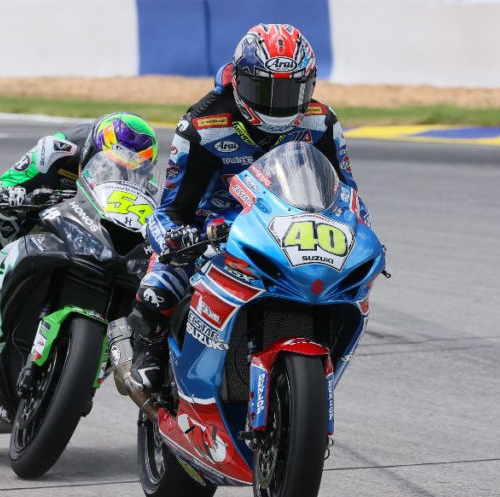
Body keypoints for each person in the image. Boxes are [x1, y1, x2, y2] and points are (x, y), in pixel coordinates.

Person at [127, 23, 371, 391]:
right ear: (239, 82)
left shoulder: (322, 122)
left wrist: (362, 234)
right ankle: (148, 357)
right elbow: (170, 210)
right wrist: (177, 240)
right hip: (215, 230)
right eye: (265, 89)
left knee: (347, 289)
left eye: (292, 90)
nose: (278, 103)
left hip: (292, 227)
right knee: (156, 291)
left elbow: (348, 195)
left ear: (311, 85)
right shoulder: (202, 125)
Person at [0, 112, 160, 334]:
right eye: (110, 165)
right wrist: (2, 199)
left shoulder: (146, 183)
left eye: (130, 169)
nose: (118, 172)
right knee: (6, 222)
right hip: (46, 211)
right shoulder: (55, 150)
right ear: (91, 151)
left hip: (95, 227)